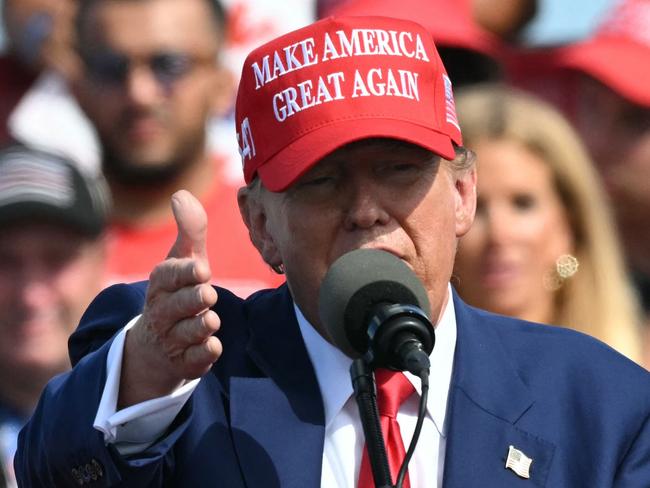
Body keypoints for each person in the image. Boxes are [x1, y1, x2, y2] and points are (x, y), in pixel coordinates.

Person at [16, 15, 650, 487]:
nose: (366, 210)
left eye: (399, 170)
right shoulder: (184, 365)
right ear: (260, 224)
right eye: (322, 181)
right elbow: (53, 467)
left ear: (462, 194)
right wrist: (147, 376)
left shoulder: (601, 403)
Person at [72, 0, 283, 295]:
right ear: (77, 89)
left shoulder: (280, 235)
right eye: (111, 68)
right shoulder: (27, 255)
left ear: (223, 85)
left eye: (168, 65)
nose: (139, 94)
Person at [452, 83, 642, 363]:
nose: (499, 234)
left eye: (522, 204)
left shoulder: (636, 370)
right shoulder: (408, 384)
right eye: (476, 206)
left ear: (570, 222)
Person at [0, 143, 110, 487]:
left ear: (101, 261)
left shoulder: (163, 419)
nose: (31, 295)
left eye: (56, 259)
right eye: (5, 261)